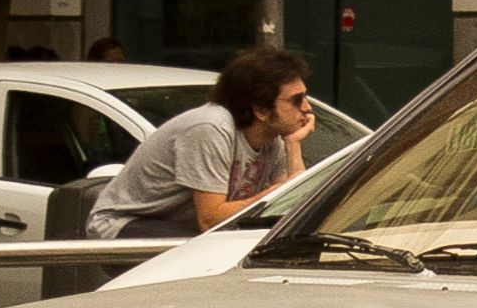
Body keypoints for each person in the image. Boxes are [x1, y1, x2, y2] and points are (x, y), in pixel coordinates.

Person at [87, 47, 316, 240]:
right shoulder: (210, 127)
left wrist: (293, 144)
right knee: (208, 251)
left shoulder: (272, 139)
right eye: (296, 100)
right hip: (123, 225)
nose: (307, 108)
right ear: (260, 110)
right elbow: (210, 219)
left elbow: (289, 206)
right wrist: (280, 190)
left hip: (182, 227)